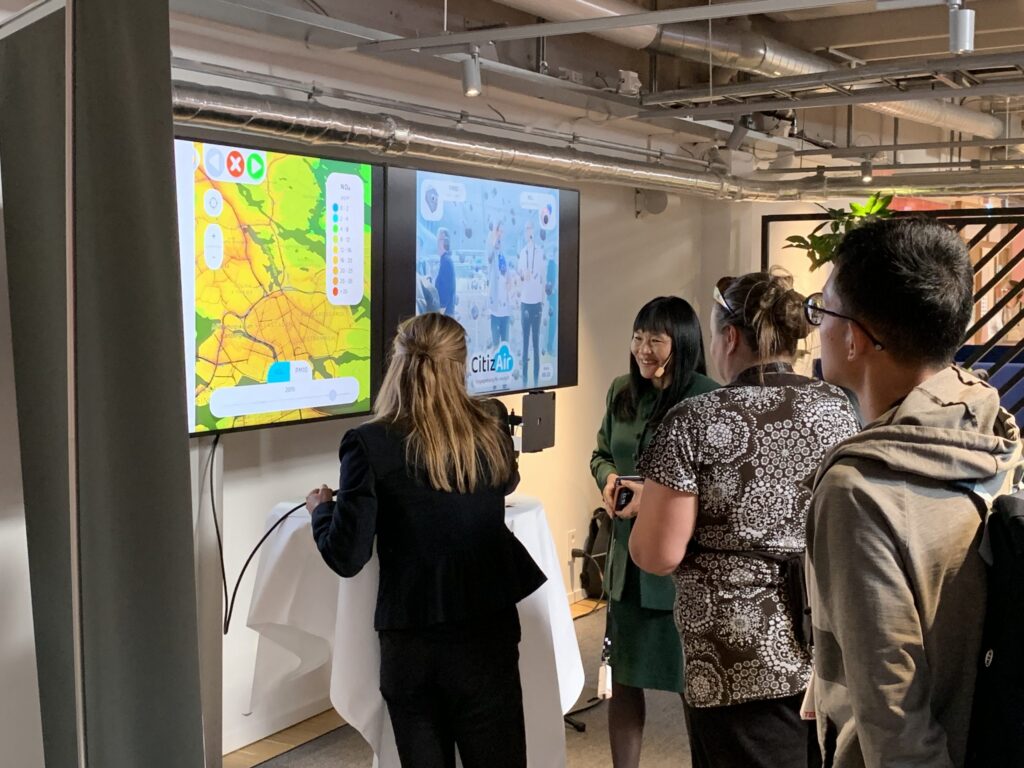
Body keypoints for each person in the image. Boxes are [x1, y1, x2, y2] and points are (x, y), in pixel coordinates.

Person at [804, 217, 1023, 768]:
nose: (817, 326)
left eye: (823, 309)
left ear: (854, 337)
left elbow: (893, 720)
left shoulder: (860, 490)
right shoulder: (986, 425)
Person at [629, 272, 860, 768]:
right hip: (826, 635)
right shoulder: (838, 409)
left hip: (733, 653)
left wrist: (647, 511)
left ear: (730, 337)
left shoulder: (693, 420)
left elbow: (657, 555)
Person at [307, 312, 546, 768]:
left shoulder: (368, 443)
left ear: (396, 364)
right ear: (462, 365)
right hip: (486, 633)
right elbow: (506, 482)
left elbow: (347, 555)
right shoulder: (490, 425)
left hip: (412, 645)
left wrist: (322, 510)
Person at [590, 296, 718, 768]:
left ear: (680, 343)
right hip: (626, 566)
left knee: (694, 683)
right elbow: (602, 453)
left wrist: (656, 498)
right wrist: (608, 479)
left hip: (681, 568)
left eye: (656, 340)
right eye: (638, 338)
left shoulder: (707, 396)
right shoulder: (621, 391)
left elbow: (717, 479)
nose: (644, 349)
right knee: (623, 681)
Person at [518, 220, 544, 387]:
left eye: (530, 228)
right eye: (526, 229)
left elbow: (542, 276)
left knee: (535, 343)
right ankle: (524, 382)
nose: (528, 232)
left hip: (536, 303)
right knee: (525, 343)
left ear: (533, 230)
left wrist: (542, 301)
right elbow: (519, 275)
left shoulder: (539, 252)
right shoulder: (522, 253)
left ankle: (536, 382)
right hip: (525, 302)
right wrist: (523, 275)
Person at [487, 222, 512, 347]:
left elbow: (508, 275)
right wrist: (494, 240)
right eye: (499, 232)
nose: (500, 235)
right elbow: (489, 258)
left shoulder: (504, 254)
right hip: (496, 308)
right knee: (496, 345)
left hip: (505, 309)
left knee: (505, 344)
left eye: (502, 232)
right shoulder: (491, 252)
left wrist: (509, 281)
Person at [434, 227, 456, 317]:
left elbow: (447, 288)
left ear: (445, 242)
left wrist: (441, 309)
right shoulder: (445, 260)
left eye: (440, 239)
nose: (437, 243)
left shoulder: (446, 261)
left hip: (446, 313)